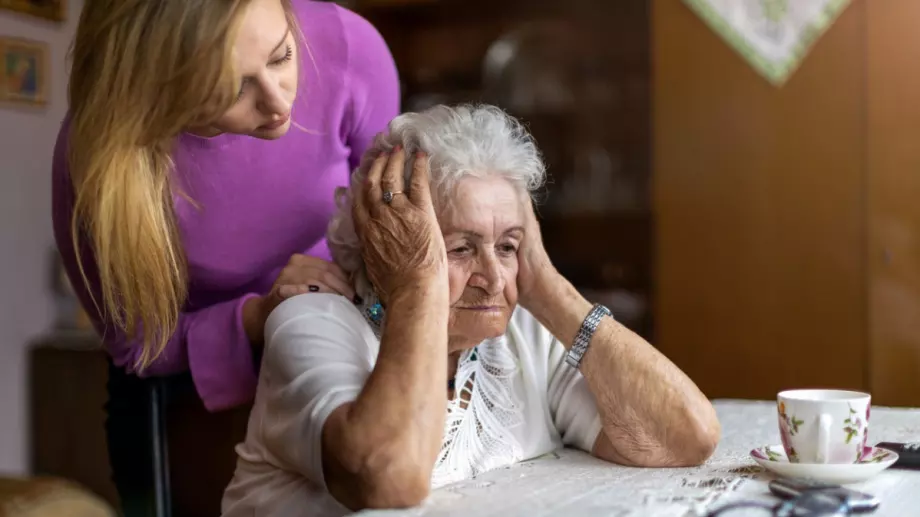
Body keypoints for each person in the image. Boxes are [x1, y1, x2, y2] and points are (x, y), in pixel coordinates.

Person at [220, 104, 721, 517]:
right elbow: (387, 479)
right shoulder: (314, 322)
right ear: (383, 247)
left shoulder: (521, 333)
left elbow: (686, 438)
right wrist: (419, 282)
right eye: (459, 249)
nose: (495, 278)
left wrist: (547, 286)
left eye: (507, 246)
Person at [50, 0, 399, 512]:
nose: (280, 103)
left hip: (332, 344)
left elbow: (391, 225)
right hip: (177, 387)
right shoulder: (97, 161)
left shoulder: (348, 47)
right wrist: (257, 315)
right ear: (158, 94)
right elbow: (134, 343)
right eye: (232, 89)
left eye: (281, 57)